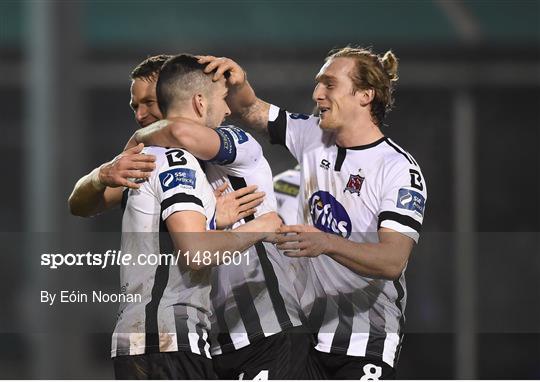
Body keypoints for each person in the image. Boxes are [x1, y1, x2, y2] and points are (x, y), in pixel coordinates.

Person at [195, 47, 428, 379]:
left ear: (365, 95)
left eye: (329, 85)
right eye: (318, 84)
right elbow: (250, 109)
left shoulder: (398, 170)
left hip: (365, 337)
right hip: (306, 334)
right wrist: (239, 82)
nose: (317, 93)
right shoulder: (313, 135)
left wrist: (326, 243)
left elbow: (392, 261)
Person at [129, 54, 312, 379]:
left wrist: (132, 143)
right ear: (201, 102)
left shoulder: (239, 143)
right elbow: (88, 202)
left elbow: (183, 133)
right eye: (220, 100)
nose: (228, 110)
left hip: (267, 331)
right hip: (210, 343)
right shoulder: (166, 166)